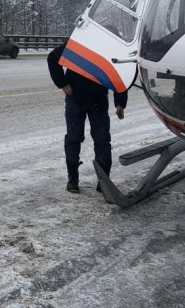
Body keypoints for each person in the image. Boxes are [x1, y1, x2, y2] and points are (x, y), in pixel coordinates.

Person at [47, 42, 127, 194]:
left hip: (98, 100)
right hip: (75, 98)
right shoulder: (79, 42)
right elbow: (52, 58)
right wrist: (63, 83)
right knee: (73, 138)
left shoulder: (109, 47)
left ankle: (104, 181)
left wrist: (120, 102)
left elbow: (120, 73)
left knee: (102, 139)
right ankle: (73, 179)